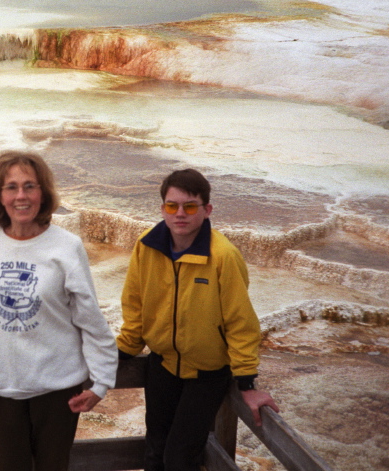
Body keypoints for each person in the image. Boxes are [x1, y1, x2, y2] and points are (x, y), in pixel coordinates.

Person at [0, 150, 117, 471]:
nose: (21, 196)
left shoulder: (67, 246)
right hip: (5, 383)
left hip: (59, 389)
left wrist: (101, 382)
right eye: (11, 187)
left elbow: (88, 317)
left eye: (30, 186)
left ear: (42, 193)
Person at [116, 169, 279, 471]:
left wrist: (246, 382)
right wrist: (124, 351)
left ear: (207, 210)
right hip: (162, 365)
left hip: (207, 374)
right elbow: (135, 304)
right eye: (171, 206)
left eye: (190, 206)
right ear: (162, 208)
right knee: (155, 451)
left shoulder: (223, 256)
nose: (180, 214)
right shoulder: (146, 246)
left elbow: (240, 322)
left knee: (180, 458)